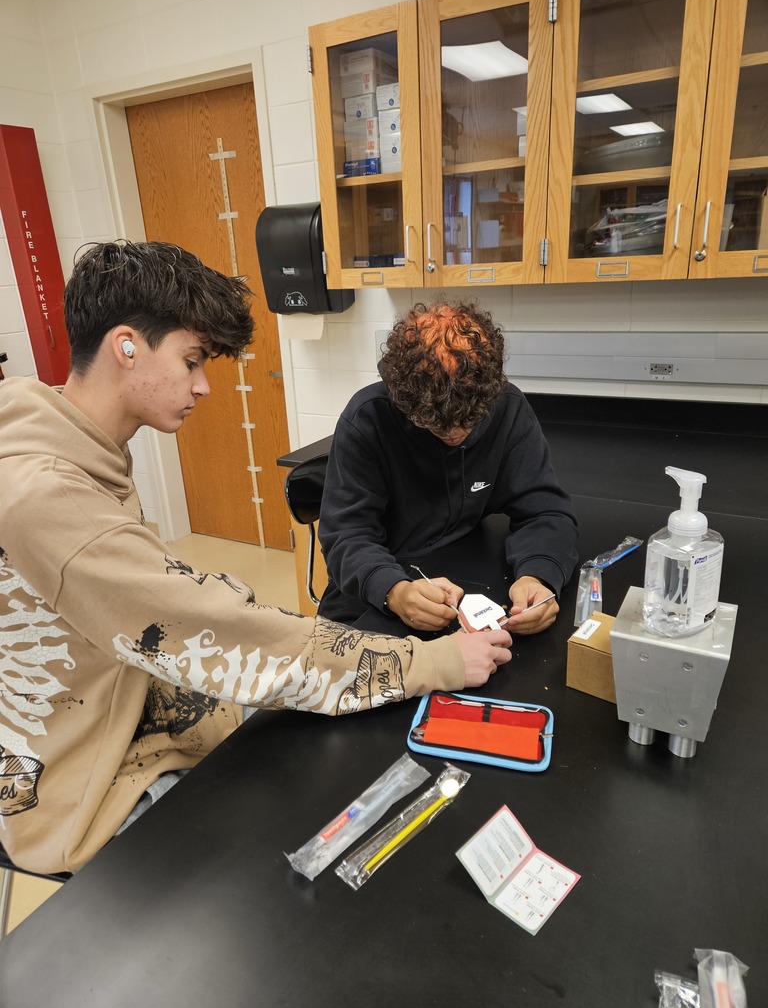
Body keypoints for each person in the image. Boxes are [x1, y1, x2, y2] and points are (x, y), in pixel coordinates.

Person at [0, 243, 512, 875]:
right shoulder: (45, 494)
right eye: (191, 360)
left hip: (140, 712)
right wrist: (434, 661)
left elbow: (171, 603)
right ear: (126, 346)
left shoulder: (80, 451)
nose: (203, 385)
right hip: (84, 785)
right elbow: (211, 630)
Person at [318, 299, 579, 633]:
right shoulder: (366, 419)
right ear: (403, 399)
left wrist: (537, 575)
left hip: (460, 573)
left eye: (468, 423)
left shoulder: (508, 408)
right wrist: (394, 591)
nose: (455, 435)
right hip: (371, 588)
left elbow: (546, 512)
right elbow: (346, 534)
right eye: (437, 425)